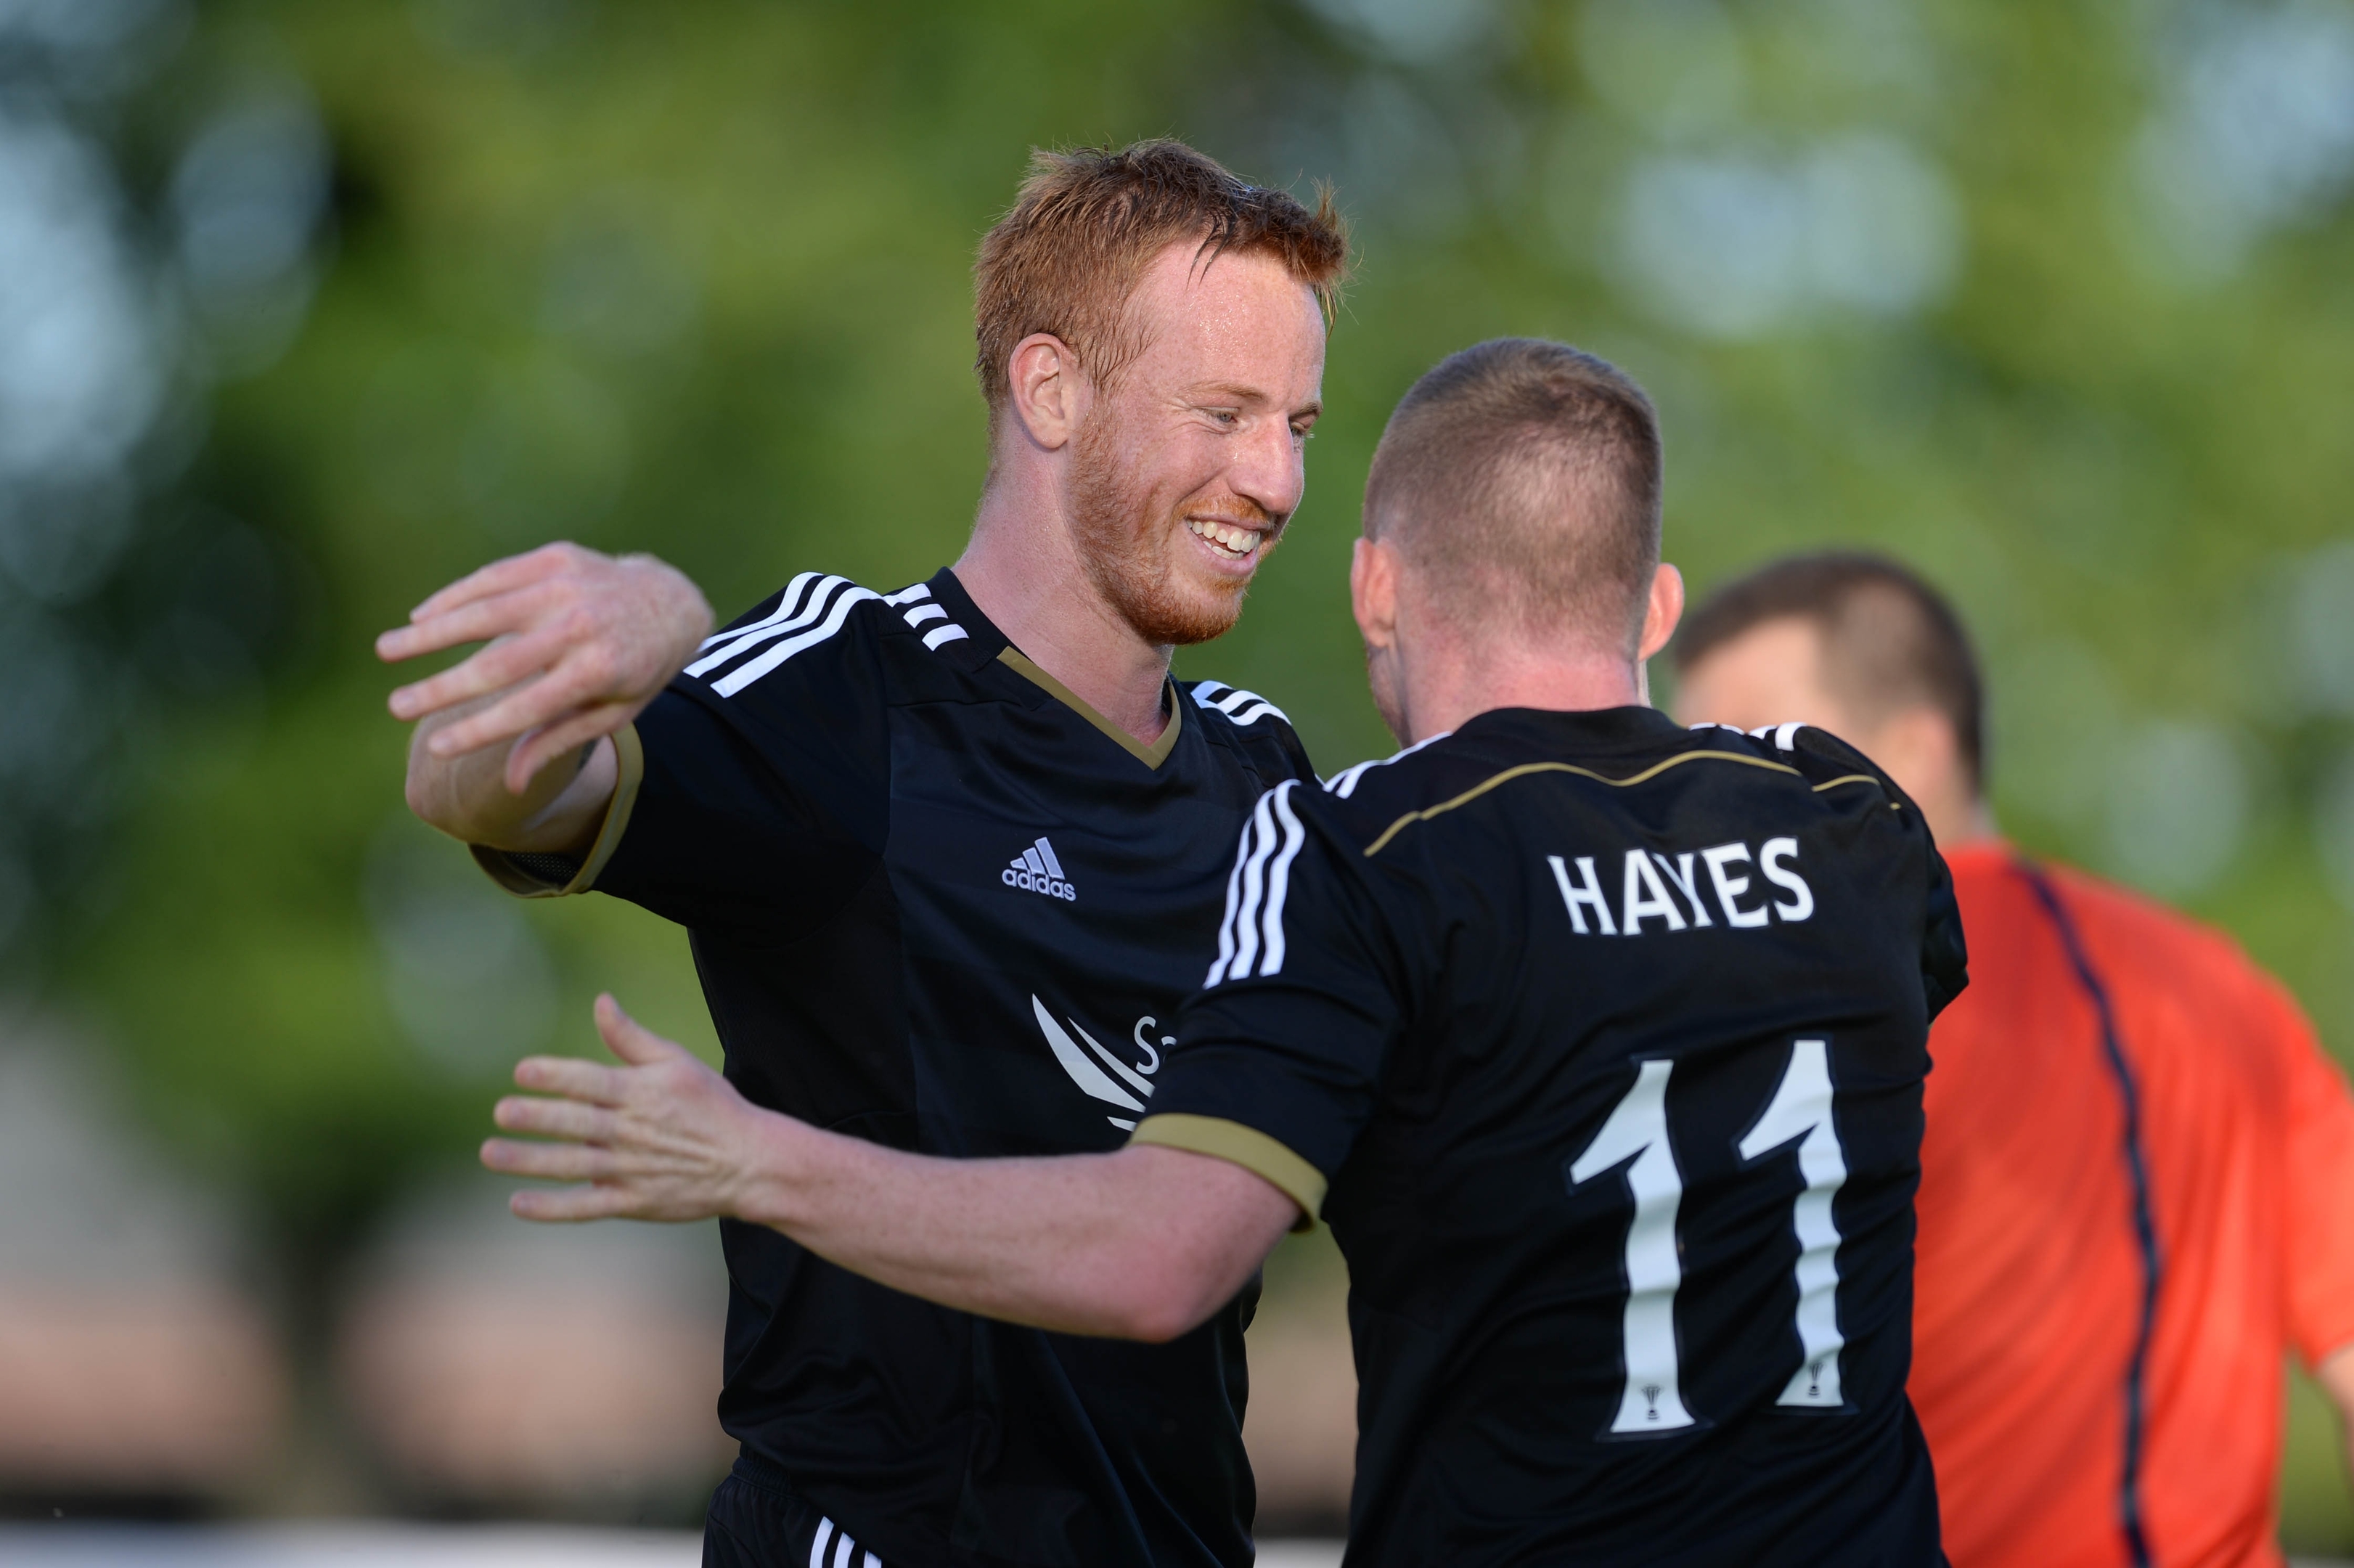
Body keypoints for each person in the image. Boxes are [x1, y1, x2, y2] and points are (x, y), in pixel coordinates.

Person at [481, 340, 1971, 1566]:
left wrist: (757, 1161)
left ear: (1375, 587)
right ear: (1651, 599)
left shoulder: (1364, 848)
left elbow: (1158, 1260)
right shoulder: (1850, 815)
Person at [381, 140, 1346, 1568]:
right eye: (1221, 412)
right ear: (1050, 390)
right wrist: (629, 633)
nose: (1270, 478)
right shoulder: (854, 687)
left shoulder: (1266, 778)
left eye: (1299, 425)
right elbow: (475, 788)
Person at [1670, 552, 2354, 1568]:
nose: (1700, 814)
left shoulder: (1792, 1004)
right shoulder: (2227, 994)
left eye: (1760, 756)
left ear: (1916, 751)